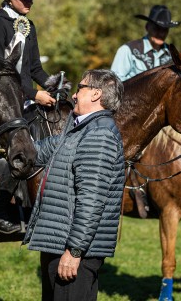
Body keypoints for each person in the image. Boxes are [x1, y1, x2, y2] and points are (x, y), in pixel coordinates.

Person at [22, 69, 125, 301]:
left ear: (96, 94)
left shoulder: (99, 135)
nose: (75, 95)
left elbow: (91, 200)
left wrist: (74, 251)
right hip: (58, 245)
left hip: (73, 252)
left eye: (80, 88)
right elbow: (35, 152)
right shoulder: (78, 132)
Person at [0, 0, 57, 235]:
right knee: (24, 149)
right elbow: (0, 77)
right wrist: (34, 93)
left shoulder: (29, 26)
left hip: (24, 101)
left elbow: (35, 68)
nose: (30, 2)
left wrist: (53, 86)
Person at [110, 5, 181, 81]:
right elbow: (114, 83)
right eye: (157, 28)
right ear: (147, 27)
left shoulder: (172, 54)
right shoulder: (128, 50)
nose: (161, 34)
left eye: (165, 30)